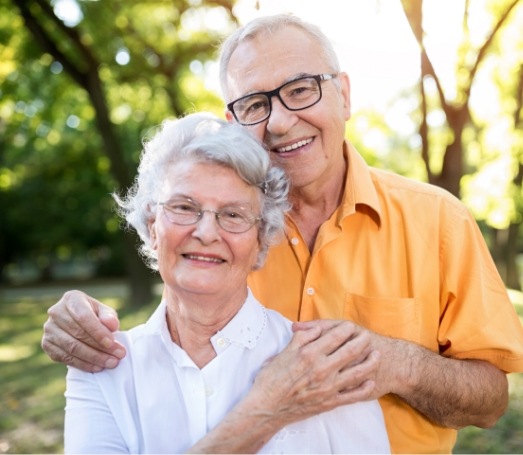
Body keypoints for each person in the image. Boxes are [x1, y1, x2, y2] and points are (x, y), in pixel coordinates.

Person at [43, 13, 523, 454]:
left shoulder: (438, 220)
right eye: (255, 103)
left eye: (300, 89)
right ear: (234, 123)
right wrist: (77, 320)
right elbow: (175, 339)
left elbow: (490, 402)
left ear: (345, 95)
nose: (279, 120)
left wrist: (394, 363)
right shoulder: (230, 234)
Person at [64, 112, 391, 454]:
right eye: (183, 207)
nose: (206, 233)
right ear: (152, 224)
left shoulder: (323, 367)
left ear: (261, 241)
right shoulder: (103, 368)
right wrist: (263, 414)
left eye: (233, 215)